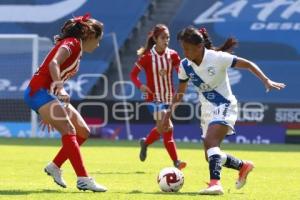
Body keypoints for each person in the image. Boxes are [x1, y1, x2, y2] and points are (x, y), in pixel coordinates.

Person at [162, 26, 286, 195]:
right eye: (183, 48)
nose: (186, 53)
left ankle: (215, 184)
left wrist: (266, 80)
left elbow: (248, 64)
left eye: (188, 49)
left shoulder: (217, 58)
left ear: (200, 47)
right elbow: (180, 93)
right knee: (211, 155)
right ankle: (243, 166)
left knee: (211, 142)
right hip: (207, 111)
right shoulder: (185, 66)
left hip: (225, 105)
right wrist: (167, 115)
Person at [24, 13, 107, 192]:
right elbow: (54, 63)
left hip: (47, 96)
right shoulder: (73, 43)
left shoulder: (75, 47)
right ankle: (83, 179)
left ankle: (54, 166)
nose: (98, 44)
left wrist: (47, 109)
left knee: (83, 131)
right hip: (39, 93)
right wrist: (60, 89)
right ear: (90, 36)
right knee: (69, 130)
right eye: (98, 40)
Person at [130, 24, 186, 170]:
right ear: (155, 39)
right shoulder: (147, 57)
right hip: (152, 98)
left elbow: (180, 71)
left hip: (168, 98)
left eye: (167, 37)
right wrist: (140, 86)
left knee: (162, 128)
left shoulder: (172, 55)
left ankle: (145, 143)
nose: (166, 40)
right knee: (167, 127)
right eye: (163, 37)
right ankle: (176, 162)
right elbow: (133, 75)